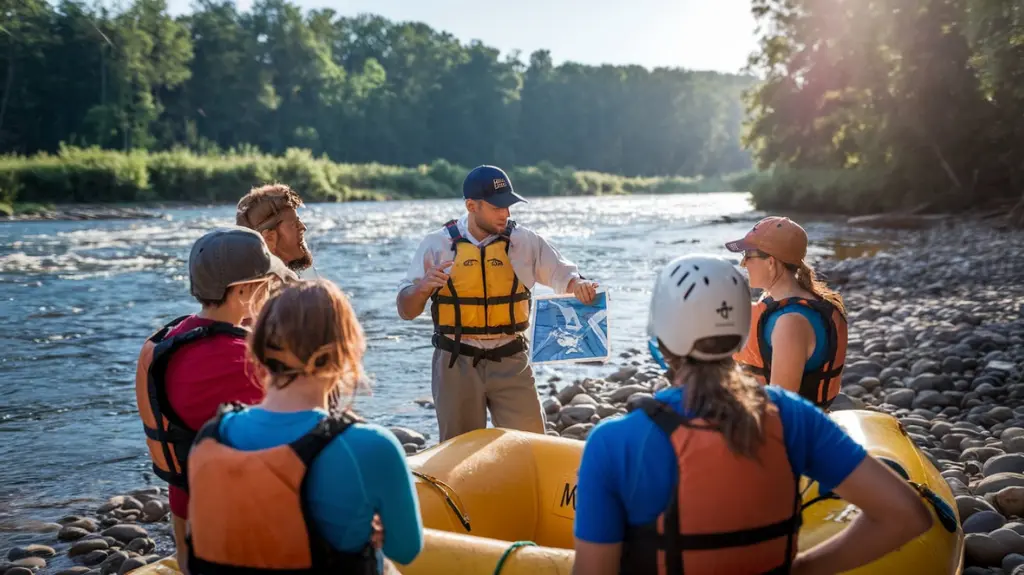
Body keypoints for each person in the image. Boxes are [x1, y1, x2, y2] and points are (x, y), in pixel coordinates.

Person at [572, 254, 932, 575]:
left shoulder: (613, 442)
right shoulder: (792, 415)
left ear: (659, 341)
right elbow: (906, 515)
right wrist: (803, 568)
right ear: (744, 334)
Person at [184, 279, 423, 575]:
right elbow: (405, 549)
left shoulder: (212, 436)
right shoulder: (371, 445)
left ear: (258, 348)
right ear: (346, 351)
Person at [396, 165, 599, 443]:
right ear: (471, 205)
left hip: (511, 358)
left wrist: (580, 286)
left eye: (509, 205)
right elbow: (405, 310)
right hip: (456, 362)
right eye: (497, 207)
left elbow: (565, 275)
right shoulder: (437, 244)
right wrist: (421, 288)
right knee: (459, 451)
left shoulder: (524, 242)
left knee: (532, 446)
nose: (506, 213)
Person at [134, 226, 293, 572]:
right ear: (242, 292)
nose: (270, 291)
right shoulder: (246, 361)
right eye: (265, 284)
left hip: (184, 510)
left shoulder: (163, 341)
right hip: (236, 525)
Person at [725, 216, 849, 409]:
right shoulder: (778, 300)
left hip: (795, 432)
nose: (743, 264)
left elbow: (782, 410)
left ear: (771, 262)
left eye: (748, 256)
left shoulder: (790, 323)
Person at [236, 183, 314, 272]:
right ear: (269, 237)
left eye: (299, 222)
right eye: (294, 224)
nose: (303, 228)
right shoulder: (267, 284)